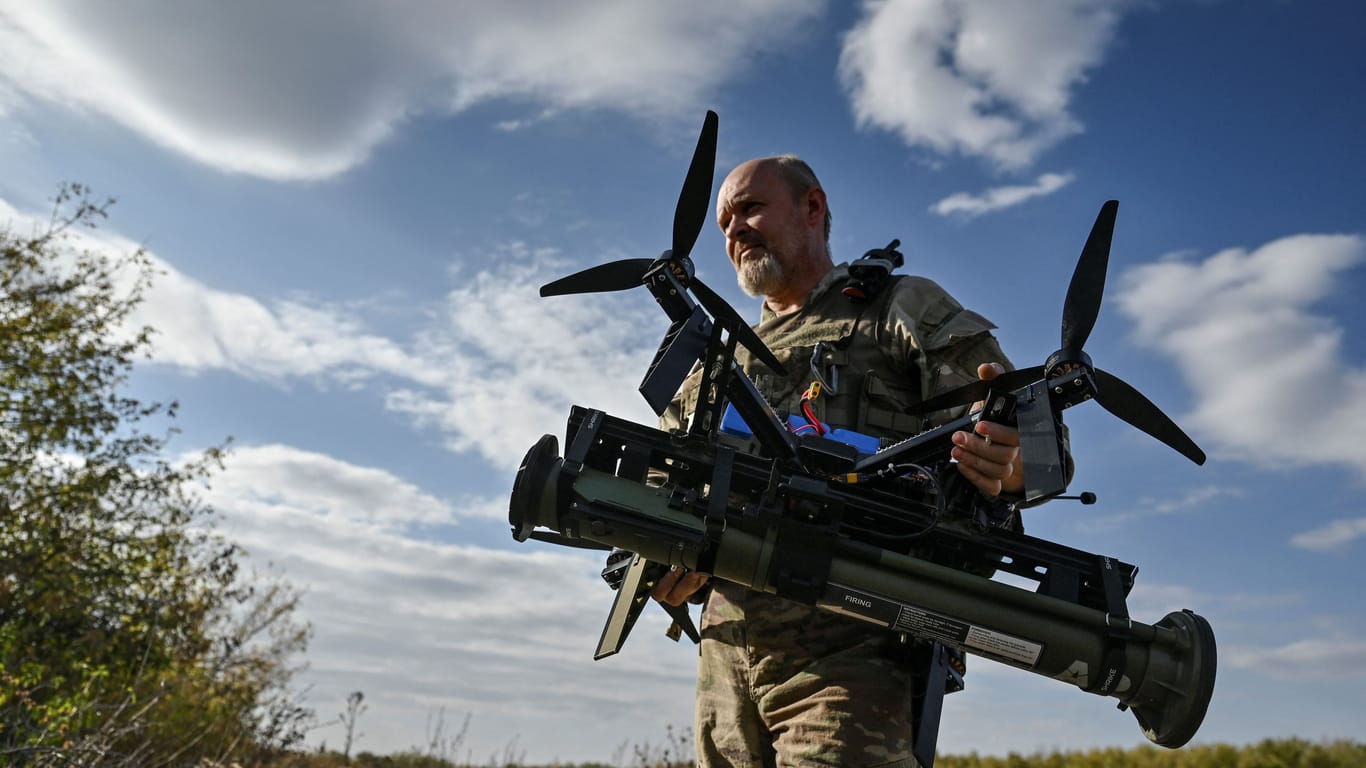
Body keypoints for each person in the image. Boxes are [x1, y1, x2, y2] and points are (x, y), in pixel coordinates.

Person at [651, 155, 1027, 768]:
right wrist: (657, 558)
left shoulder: (902, 310)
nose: (734, 231)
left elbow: (1026, 432)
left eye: (749, 208)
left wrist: (1007, 465)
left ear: (812, 208)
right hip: (725, 664)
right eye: (723, 223)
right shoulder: (714, 362)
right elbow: (659, 481)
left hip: (856, 644)